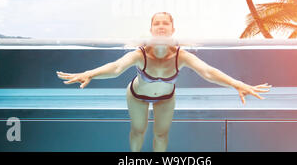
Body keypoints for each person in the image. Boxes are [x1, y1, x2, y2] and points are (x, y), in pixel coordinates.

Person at [56, 12, 271, 152]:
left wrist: (236, 84)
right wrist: (90, 73)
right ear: (151, 30)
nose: (160, 26)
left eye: (165, 23)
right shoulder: (140, 53)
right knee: (138, 131)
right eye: (156, 23)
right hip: (137, 96)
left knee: (161, 134)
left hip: (166, 98)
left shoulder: (180, 55)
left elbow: (207, 71)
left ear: (172, 30)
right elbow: (116, 67)